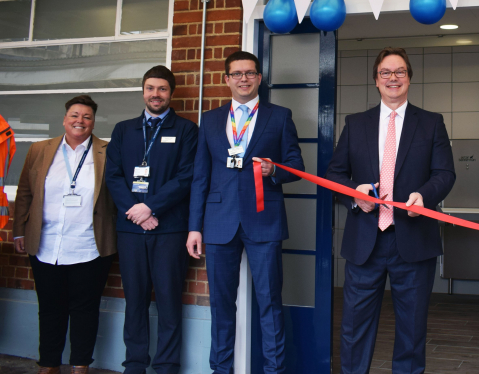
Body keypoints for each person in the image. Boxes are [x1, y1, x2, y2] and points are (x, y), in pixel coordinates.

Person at [326, 47, 455, 374]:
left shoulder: (431, 123)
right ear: (376, 80)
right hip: (364, 242)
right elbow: (335, 174)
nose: (393, 78)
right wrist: (355, 195)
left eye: (400, 72)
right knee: (354, 329)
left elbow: (445, 173)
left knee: (412, 331)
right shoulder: (356, 124)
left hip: (412, 241)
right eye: (386, 72)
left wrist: (424, 197)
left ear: (409, 78)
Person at [187, 50, 304, 374]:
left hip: (264, 220)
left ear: (259, 78)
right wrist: (194, 227)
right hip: (219, 222)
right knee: (221, 305)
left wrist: (274, 169)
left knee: (269, 303)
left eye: (250, 73)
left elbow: (296, 167)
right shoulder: (209, 120)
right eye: (237, 73)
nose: (243, 79)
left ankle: (274, 370)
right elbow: (200, 177)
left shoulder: (279, 116)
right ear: (227, 79)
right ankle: (220, 370)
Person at [12, 95, 117, 374]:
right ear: (64, 119)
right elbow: (24, 193)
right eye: (74, 115)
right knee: (49, 308)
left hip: (89, 245)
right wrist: (19, 230)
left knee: (85, 309)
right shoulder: (39, 150)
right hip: (47, 244)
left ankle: (80, 364)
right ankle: (48, 364)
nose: (79, 121)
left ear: (94, 122)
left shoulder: (108, 151)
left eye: (86, 117)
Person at [105, 65, 198, 374]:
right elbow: (114, 176)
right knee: (135, 301)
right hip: (130, 230)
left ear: (170, 94)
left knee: (170, 301)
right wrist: (136, 211)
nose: (155, 94)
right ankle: (134, 364)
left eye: (162, 89)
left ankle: (168, 365)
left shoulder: (186, 130)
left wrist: (151, 208)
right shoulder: (123, 129)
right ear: (143, 91)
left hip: (169, 230)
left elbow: (186, 177)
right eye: (150, 88)